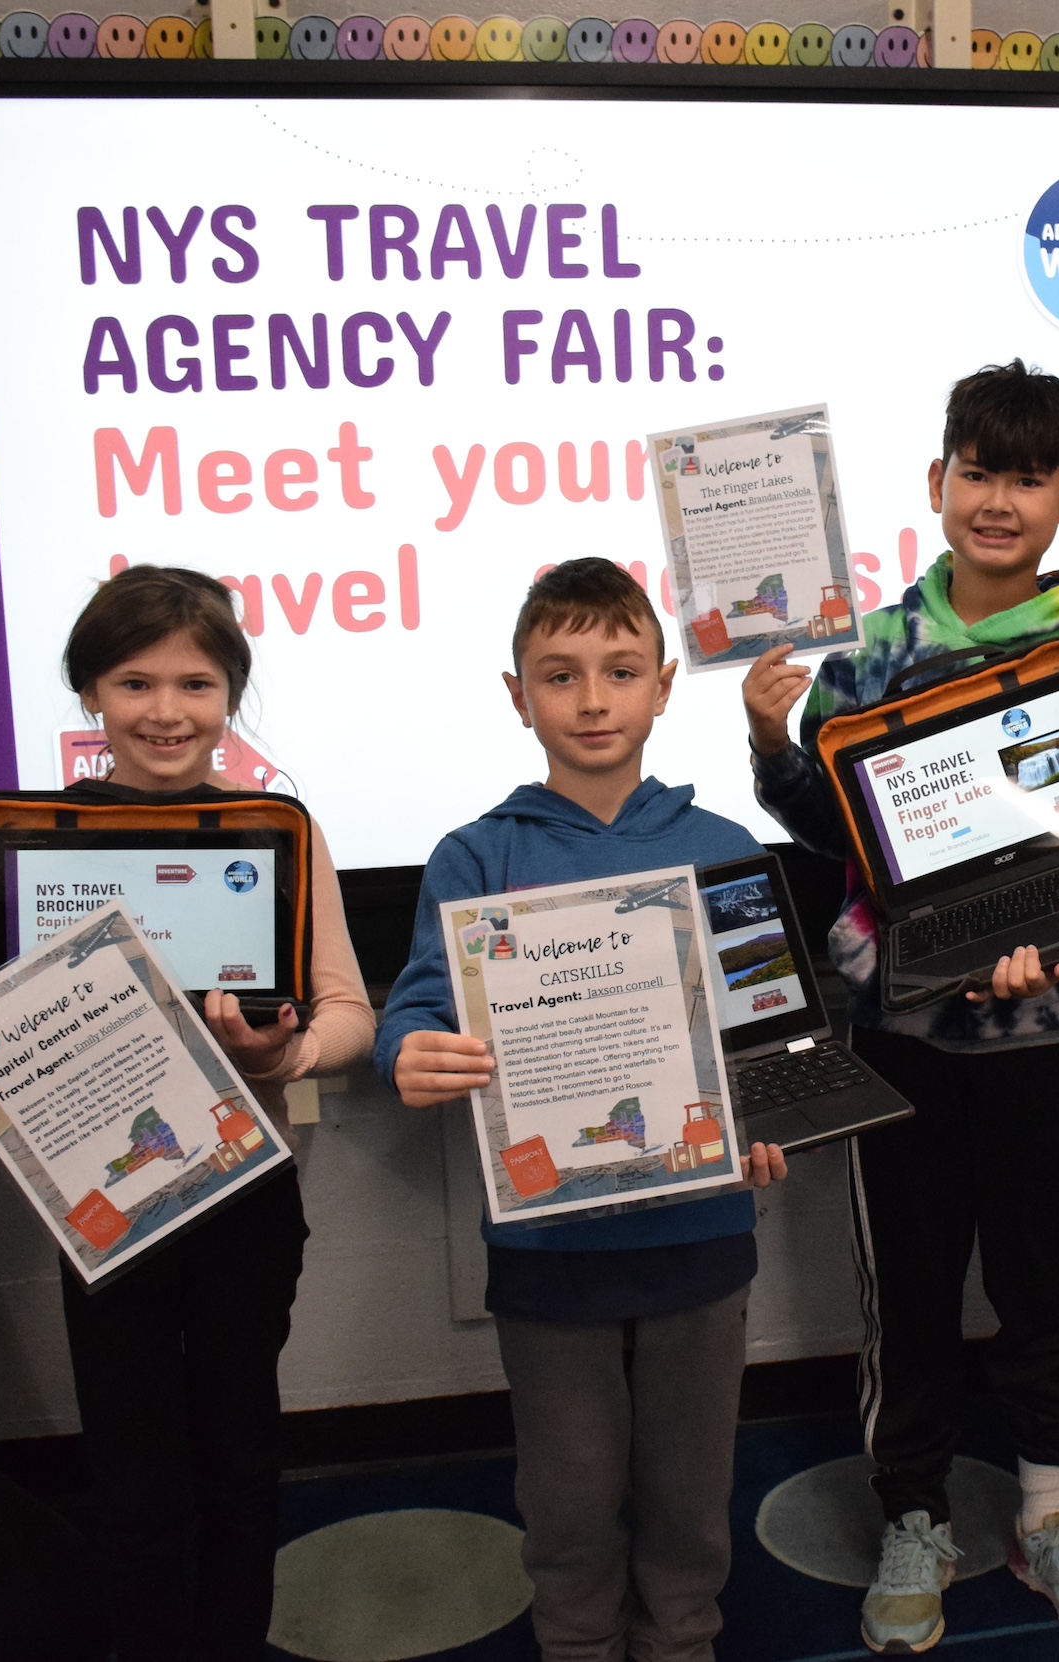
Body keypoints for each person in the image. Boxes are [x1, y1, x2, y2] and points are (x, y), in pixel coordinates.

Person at [0, 565, 376, 1662]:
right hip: (105, 1212)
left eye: (197, 684)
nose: (167, 712)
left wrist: (287, 1052)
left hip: (247, 1201)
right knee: (132, 1483)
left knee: (241, 1465)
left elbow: (348, 1013)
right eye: (134, 682)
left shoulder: (276, 832)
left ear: (231, 694)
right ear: (89, 694)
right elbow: (7, 1030)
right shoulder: (35, 843)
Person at [743, 361, 1059, 1654]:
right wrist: (772, 744)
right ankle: (914, 1513)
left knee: (1049, 1282)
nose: (998, 500)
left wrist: (1057, 947)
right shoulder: (870, 653)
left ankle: (1048, 1512)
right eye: (978, 472)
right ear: (938, 482)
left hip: (1043, 1036)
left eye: (1028, 477)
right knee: (910, 1290)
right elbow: (832, 833)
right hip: (901, 1035)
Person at [375, 558, 788, 1662]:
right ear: (519, 697)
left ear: (663, 688)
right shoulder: (478, 856)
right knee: (567, 1496)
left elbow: (768, 1032)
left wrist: (771, 1118)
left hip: (701, 1240)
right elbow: (417, 1006)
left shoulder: (724, 850)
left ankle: (683, 1638)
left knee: (690, 1491)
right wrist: (408, 1052)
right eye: (560, 676)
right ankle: (576, 1642)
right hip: (550, 1256)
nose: (593, 700)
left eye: (620, 671)